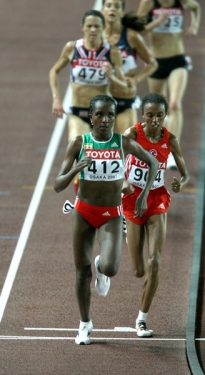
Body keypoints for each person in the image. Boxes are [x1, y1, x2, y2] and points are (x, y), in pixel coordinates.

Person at [54, 94, 159, 345]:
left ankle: (102, 268)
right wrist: (76, 169)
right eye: (99, 114)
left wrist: (144, 195)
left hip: (111, 214)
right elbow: (58, 185)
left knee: (111, 267)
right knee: (81, 271)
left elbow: (153, 162)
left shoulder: (122, 143)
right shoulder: (79, 143)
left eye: (110, 115)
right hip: (83, 212)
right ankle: (84, 324)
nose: (105, 119)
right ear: (90, 117)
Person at [122, 92, 190, 337]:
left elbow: (185, 173)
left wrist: (181, 182)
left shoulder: (170, 140)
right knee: (138, 270)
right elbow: (117, 158)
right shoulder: (132, 135)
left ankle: (141, 319)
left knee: (155, 262)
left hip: (157, 198)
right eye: (149, 115)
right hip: (131, 198)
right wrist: (122, 181)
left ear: (164, 115)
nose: (154, 120)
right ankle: (123, 230)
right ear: (143, 115)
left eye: (159, 115)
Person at [49, 9, 133, 193]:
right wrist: (56, 98)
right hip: (78, 112)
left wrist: (111, 76)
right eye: (89, 26)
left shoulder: (112, 52)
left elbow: (124, 87)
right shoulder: (72, 48)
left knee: (104, 160)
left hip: (102, 117)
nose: (93, 30)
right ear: (82, 27)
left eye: (97, 26)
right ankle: (80, 200)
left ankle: (109, 199)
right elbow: (54, 71)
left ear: (103, 28)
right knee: (80, 156)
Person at [137, 0, 201, 169]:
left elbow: (195, 6)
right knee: (157, 111)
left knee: (174, 104)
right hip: (156, 62)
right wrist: (157, 22)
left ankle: (172, 153)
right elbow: (136, 31)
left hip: (177, 60)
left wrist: (194, 25)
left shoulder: (181, 1)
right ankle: (156, 144)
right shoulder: (149, 3)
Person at [101, 0, 160, 133]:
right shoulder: (96, 36)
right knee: (102, 150)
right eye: (108, 6)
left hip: (125, 98)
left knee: (125, 146)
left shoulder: (131, 36)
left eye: (117, 6)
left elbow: (152, 63)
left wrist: (136, 79)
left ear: (122, 12)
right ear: (102, 10)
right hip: (103, 97)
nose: (112, 9)